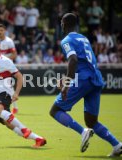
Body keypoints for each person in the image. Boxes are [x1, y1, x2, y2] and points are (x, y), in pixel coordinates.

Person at [49, 13, 121, 157]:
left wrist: (66, 84)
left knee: (55, 111)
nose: (61, 25)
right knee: (91, 120)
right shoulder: (84, 38)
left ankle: (83, 132)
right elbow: (82, 61)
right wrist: (67, 78)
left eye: (62, 23)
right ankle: (117, 145)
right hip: (95, 78)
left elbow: (73, 60)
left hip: (83, 79)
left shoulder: (66, 40)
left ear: (64, 24)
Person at [0, 24, 18, 114]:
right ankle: (0, 106)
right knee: (0, 86)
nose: (0, 32)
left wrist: (4, 61)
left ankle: (10, 107)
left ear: (4, 31)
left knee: (7, 86)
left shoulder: (9, 41)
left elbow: (14, 54)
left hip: (7, 67)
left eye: (1, 30)